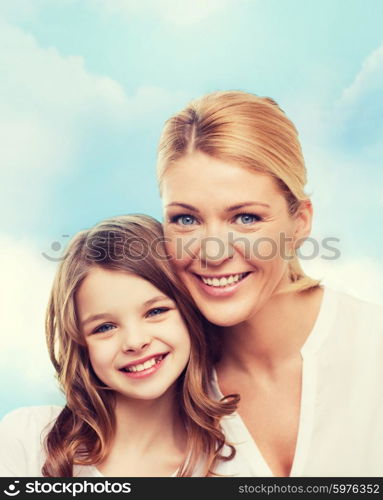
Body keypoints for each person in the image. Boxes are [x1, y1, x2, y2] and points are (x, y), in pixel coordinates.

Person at [156, 90, 383, 477]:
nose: (212, 252)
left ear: (300, 221)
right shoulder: (157, 380)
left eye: (245, 218)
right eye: (186, 220)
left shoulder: (371, 344)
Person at [0, 214, 246, 477]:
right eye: (105, 327)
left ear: (189, 312)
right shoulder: (27, 440)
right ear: (80, 344)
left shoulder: (233, 461)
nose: (135, 342)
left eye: (155, 312)